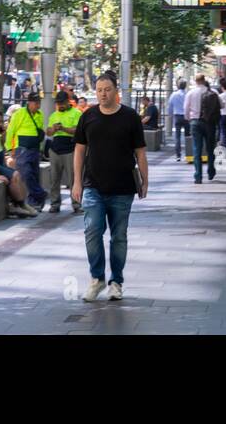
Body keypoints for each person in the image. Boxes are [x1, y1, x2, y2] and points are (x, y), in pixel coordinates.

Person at [73, 71, 147, 302]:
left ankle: (116, 282)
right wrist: (76, 181)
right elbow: (79, 150)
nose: (103, 94)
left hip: (123, 188)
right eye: (99, 90)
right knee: (92, 231)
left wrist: (145, 180)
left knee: (119, 237)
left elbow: (140, 152)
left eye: (107, 89)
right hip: (93, 186)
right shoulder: (88, 116)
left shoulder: (130, 117)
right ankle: (97, 278)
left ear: (116, 91)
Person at [6, 91, 49, 211]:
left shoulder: (39, 115)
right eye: (35, 103)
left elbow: (39, 132)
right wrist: (10, 148)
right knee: (27, 174)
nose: (38, 105)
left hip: (35, 150)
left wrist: (40, 149)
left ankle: (35, 202)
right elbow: (11, 131)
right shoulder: (20, 113)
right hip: (22, 150)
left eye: (39, 103)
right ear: (29, 103)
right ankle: (40, 193)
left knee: (35, 175)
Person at [45, 90, 83, 213]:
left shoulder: (76, 113)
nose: (60, 105)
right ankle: (55, 204)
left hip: (70, 149)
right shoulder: (54, 115)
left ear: (68, 102)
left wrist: (64, 128)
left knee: (73, 179)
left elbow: (77, 130)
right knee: (54, 179)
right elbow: (48, 132)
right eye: (58, 103)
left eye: (62, 103)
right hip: (55, 149)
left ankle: (76, 204)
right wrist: (54, 129)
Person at [188, 76, 221, 184]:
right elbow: (222, 104)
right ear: (204, 80)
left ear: (196, 81)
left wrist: (190, 119)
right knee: (210, 148)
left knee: (197, 149)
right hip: (210, 123)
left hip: (195, 122)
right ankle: (211, 171)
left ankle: (198, 176)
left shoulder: (191, 93)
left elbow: (185, 109)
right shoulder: (213, 92)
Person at [167, 79, 188, 160]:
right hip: (186, 117)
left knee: (177, 136)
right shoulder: (187, 94)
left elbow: (170, 106)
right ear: (185, 86)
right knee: (187, 136)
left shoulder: (174, 94)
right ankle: (188, 154)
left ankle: (178, 155)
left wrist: (170, 115)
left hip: (177, 116)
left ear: (178, 86)